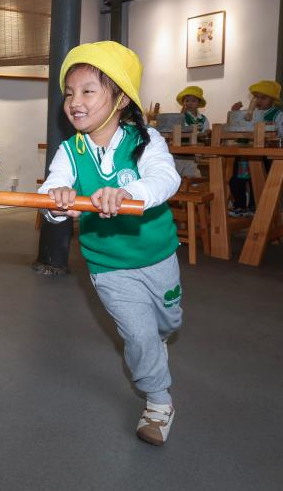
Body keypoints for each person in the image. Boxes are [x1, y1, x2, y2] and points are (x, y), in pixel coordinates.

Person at [38, 41, 183, 446]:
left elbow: (165, 178)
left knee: (168, 323)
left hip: (157, 255)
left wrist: (129, 193)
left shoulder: (145, 140)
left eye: (88, 91)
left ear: (120, 98)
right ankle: (158, 401)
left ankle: (160, 339)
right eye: (70, 93)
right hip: (107, 265)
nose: (75, 102)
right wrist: (57, 202)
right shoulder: (70, 150)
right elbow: (51, 189)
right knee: (138, 334)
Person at [228, 80, 283, 215]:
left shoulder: (277, 114)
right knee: (237, 180)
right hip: (244, 153)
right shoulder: (248, 113)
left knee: (258, 180)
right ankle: (240, 206)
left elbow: (281, 133)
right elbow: (236, 125)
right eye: (256, 97)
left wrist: (272, 128)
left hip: (263, 154)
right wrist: (235, 113)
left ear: (273, 100)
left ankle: (255, 207)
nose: (258, 101)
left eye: (263, 98)